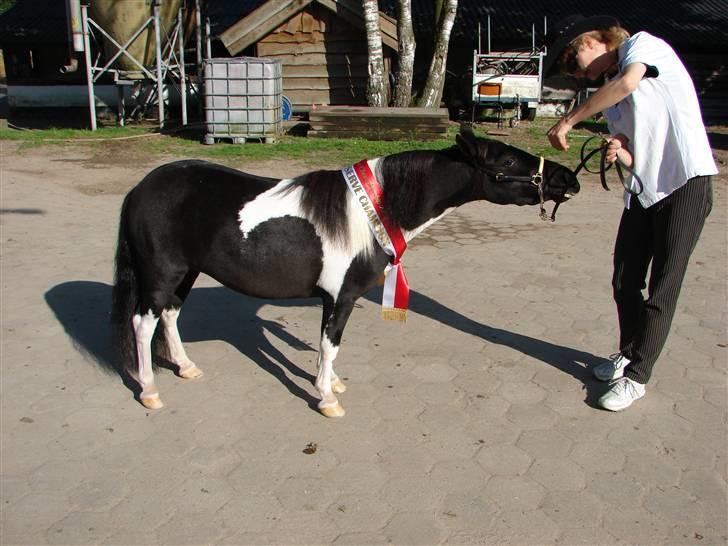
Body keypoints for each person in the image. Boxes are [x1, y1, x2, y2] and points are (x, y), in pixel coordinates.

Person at [542, 15, 717, 411]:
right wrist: (620, 150)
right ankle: (628, 352)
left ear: (591, 40)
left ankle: (638, 376)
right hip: (645, 190)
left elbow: (629, 82)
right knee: (624, 279)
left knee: (663, 287)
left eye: (572, 61)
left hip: (686, 183)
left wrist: (569, 119)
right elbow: (636, 146)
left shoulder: (642, 46)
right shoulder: (610, 89)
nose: (575, 73)